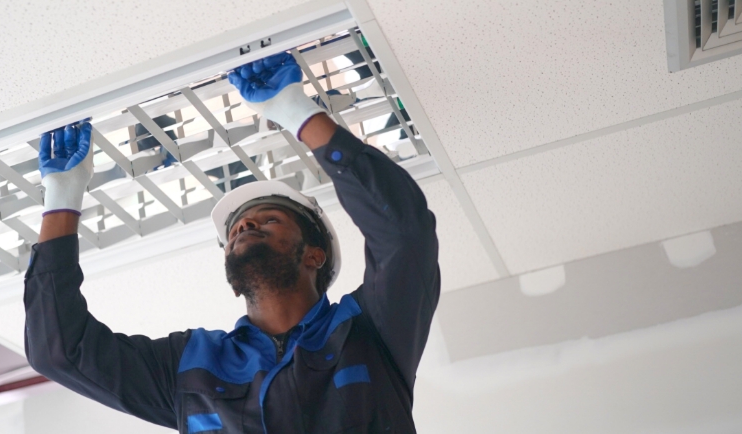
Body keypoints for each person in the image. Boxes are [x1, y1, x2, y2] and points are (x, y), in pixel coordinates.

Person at [24, 52, 439, 433]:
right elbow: (63, 351)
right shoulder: (191, 365)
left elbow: (405, 235)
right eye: (237, 228)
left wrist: (298, 113)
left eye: (269, 220)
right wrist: (62, 197)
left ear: (315, 254)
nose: (244, 227)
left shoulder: (369, 331)